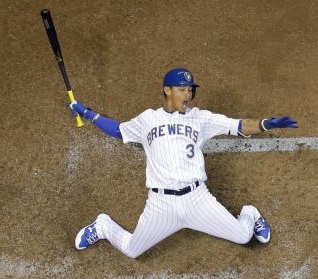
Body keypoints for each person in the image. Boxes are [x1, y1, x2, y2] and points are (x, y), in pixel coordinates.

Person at [69, 68, 299, 258]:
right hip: (161, 204)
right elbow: (119, 130)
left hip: (197, 199)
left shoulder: (200, 118)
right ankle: (102, 226)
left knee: (243, 236)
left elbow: (238, 126)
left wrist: (267, 123)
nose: (187, 95)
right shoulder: (148, 119)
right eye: (182, 89)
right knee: (132, 250)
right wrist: (88, 113)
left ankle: (250, 213)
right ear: (167, 90)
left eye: (190, 90)